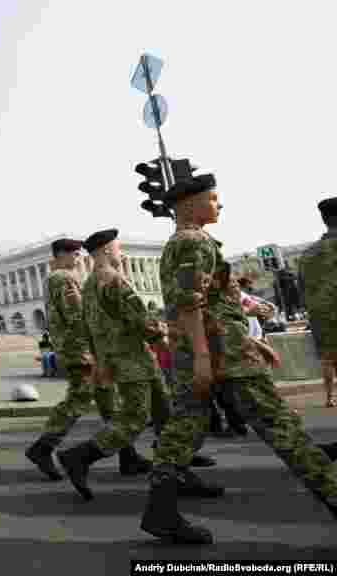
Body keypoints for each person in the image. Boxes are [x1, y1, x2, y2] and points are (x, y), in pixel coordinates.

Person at [139, 169, 337, 545]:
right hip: (219, 353)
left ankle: (160, 512)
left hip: (215, 348)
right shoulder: (193, 243)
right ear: (190, 204)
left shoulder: (190, 242)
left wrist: (249, 341)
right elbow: (189, 304)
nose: (219, 204)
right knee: (279, 425)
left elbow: (215, 302)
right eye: (213, 199)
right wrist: (203, 357)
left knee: (184, 429)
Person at [56, 229, 164, 501]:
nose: (122, 253)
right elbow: (142, 321)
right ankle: (80, 456)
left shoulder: (90, 283)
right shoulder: (114, 280)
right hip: (132, 359)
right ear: (105, 251)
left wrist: (100, 362)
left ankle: (174, 466)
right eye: (118, 248)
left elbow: (89, 328)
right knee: (135, 417)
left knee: (165, 410)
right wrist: (164, 336)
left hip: (117, 359)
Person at [25, 238, 121, 481]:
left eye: (79, 252)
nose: (78, 257)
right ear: (59, 255)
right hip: (81, 349)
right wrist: (96, 348)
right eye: (73, 253)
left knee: (108, 399)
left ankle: (126, 454)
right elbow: (79, 316)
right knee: (79, 398)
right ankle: (42, 448)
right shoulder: (64, 278)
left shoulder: (55, 279)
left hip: (78, 348)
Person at [299, 205, 337, 409]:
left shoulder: (307, 255)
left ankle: (331, 397)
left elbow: (301, 290)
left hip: (322, 317)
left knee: (329, 359)